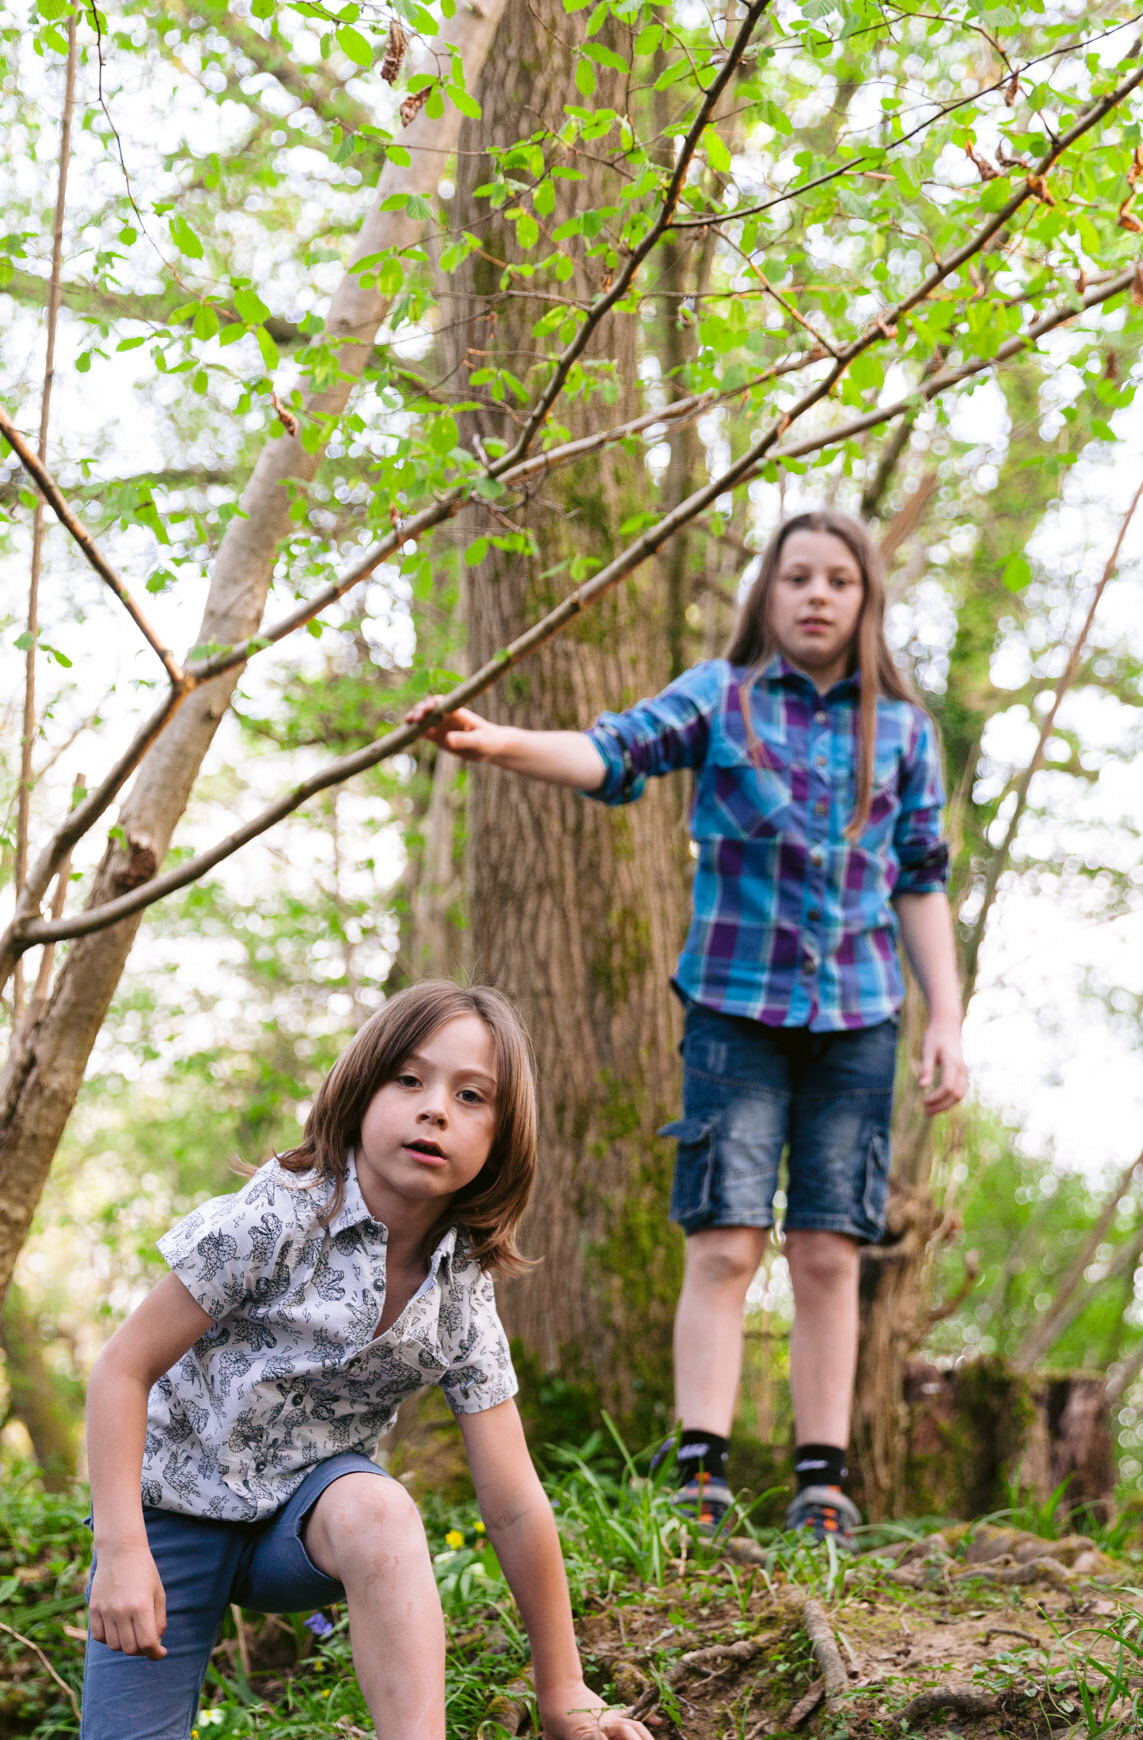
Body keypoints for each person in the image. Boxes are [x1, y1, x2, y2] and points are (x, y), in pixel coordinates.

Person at [0, 981, 663, 1740]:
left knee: (388, 1515)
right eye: (408, 1080)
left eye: (469, 1095)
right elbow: (119, 1373)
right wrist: (120, 1548)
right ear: (360, 1091)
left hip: (299, 1517)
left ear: (499, 1139)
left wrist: (565, 1689)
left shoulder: (458, 1287)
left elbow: (510, 1496)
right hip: (171, 1516)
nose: (431, 1111)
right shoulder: (277, 1217)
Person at [411, 510, 968, 1546]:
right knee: (722, 1240)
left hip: (857, 1018)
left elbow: (922, 880)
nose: (814, 595)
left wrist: (947, 1018)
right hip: (733, 1012)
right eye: (794, 576)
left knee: (827, 1251)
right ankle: (699, 1472)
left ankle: (821, 1482)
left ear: (863, 601)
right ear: (765, 593)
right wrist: (493, 742)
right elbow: (609, 754)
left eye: (836, 580)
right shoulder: (720, 700)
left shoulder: (901, 731)